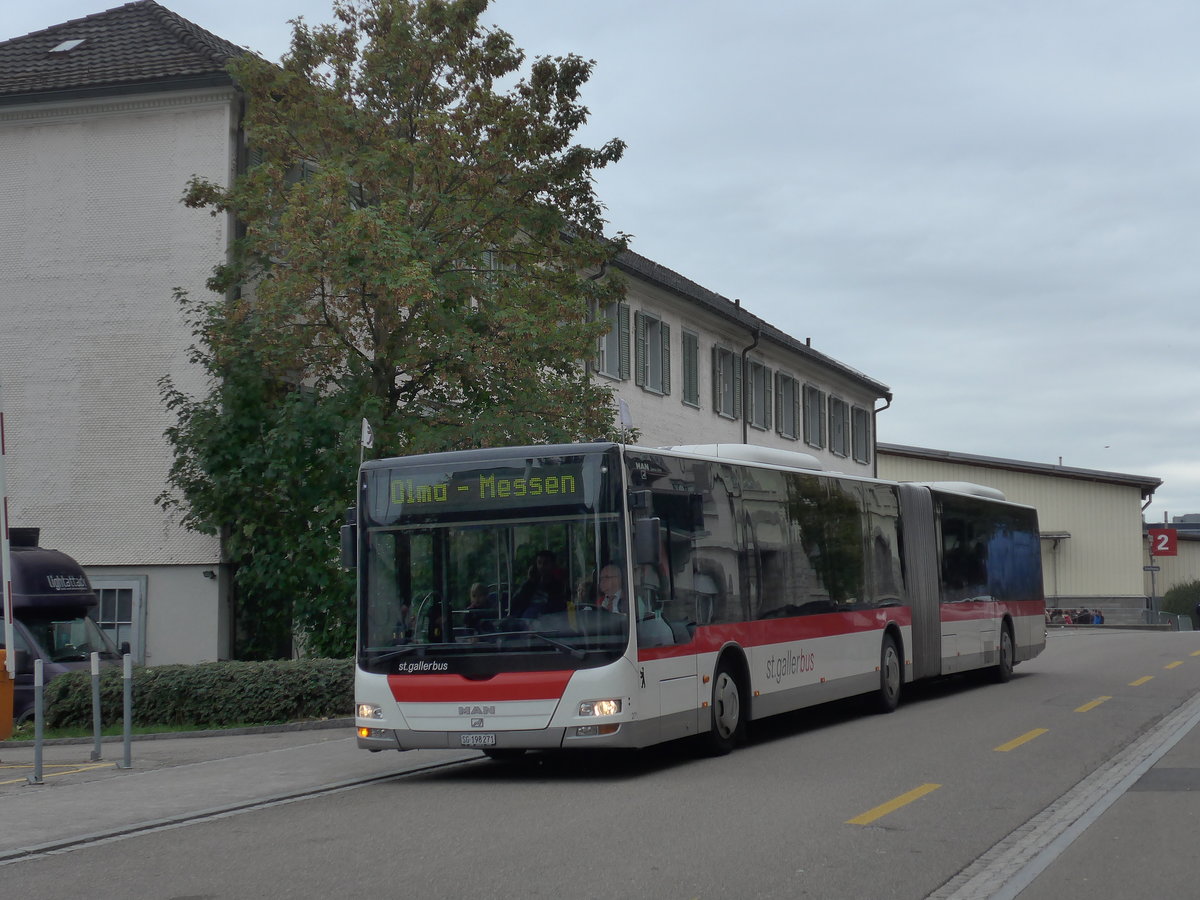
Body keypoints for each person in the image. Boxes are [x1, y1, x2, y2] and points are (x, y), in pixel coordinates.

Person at [514, 550, 568, 617]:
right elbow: (518, 603)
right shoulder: (530, 585)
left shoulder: (558, 586)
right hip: (525, 620)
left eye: (545, 563)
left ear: (552, 565)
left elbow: (557, 607)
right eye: (539, 563)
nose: (542, 566)